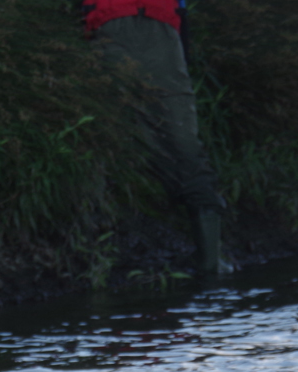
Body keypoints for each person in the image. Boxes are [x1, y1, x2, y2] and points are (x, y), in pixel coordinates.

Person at [83, 0, 228, 275]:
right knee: (183, 147)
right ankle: (211, 265)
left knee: (124, 135)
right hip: (156, 25)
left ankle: (105, 257)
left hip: (107, 23)